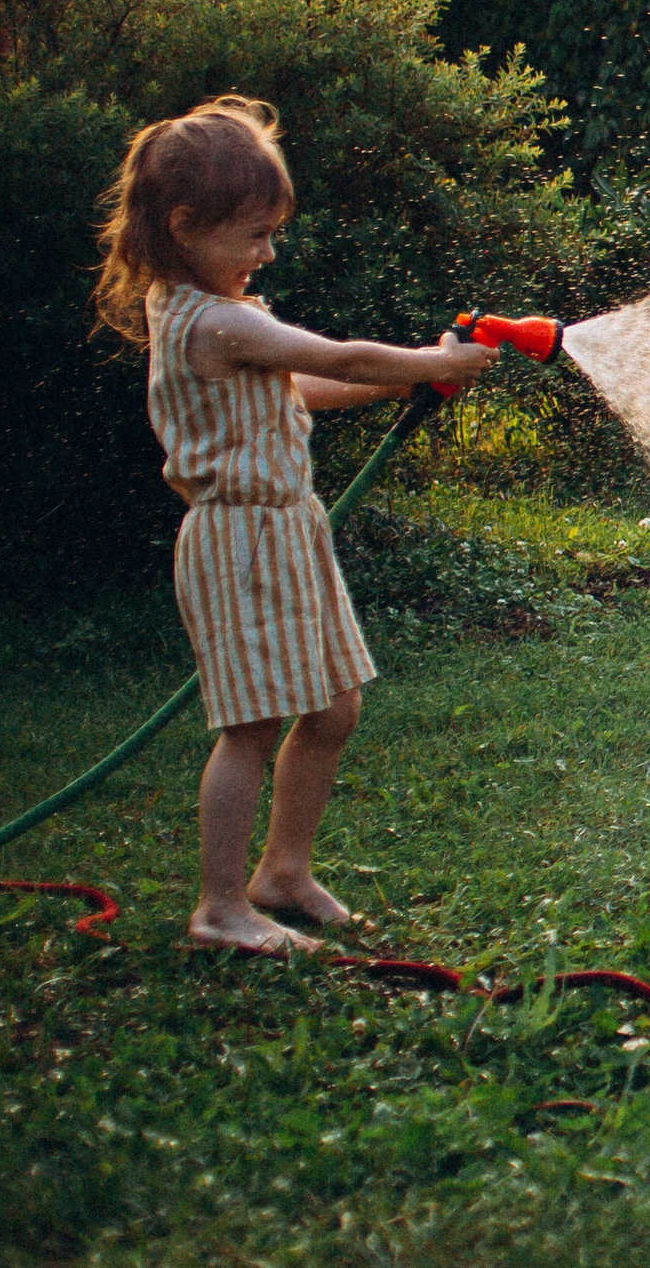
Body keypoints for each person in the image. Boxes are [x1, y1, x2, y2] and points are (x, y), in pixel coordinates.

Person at [92, 97, 495, 952]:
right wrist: (435, 359)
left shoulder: (222, 320)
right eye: (254, 235)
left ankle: (283, 871)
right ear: (185, 226)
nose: (268, 252)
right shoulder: (214, 320)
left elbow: (305, 387)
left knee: (336, 706)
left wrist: (413, 381)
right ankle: (219, 906)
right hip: (238, 541)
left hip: (288, 531)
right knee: (251, 725)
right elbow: (338, 355)